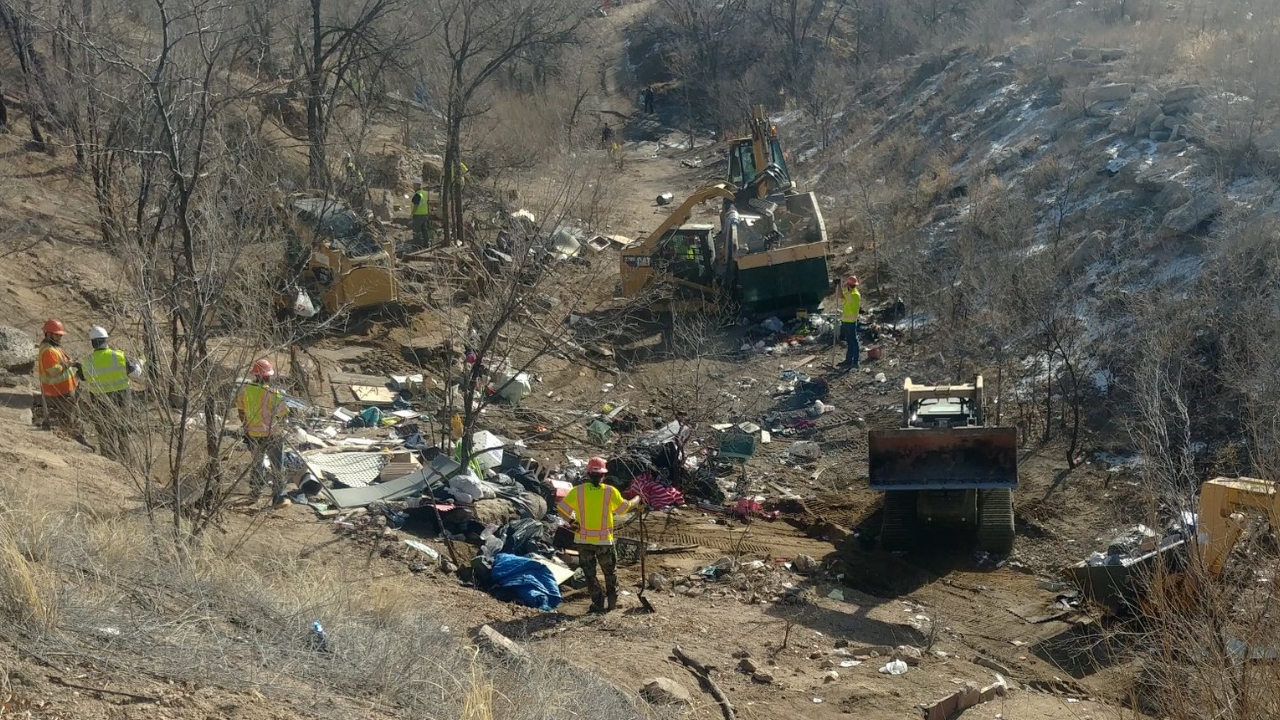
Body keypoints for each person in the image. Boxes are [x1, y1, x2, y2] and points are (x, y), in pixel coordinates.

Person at [557, 456, 643, 613]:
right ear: (604, 475)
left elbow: (561, 508)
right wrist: (637, 499)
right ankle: (612, 602)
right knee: (610, 573)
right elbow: (624, 509)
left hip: (583, 541)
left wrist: (572, 522)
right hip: (604, 542)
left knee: (590, 575)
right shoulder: (610, 491)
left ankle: (597, 603)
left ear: (588, 474)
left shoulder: (578, 491)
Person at [79, 326, 142, 461]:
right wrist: (140, 362)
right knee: (122, 430)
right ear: (106, 340)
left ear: (93, 343)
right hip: (121, 399)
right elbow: (135, 373)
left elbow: (82, 377)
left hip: (99, 401)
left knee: (105, 431)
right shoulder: (118, 356)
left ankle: (108, 460)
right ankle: (126, 460)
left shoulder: (87, 361)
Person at [234, 358, 291, 505]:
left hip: (253, 435)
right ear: (267, 376)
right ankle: (279, 497)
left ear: (255, 375)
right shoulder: (273, 393)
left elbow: (241, 411)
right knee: (277, 465)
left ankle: (255, 492)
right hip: (272, 435)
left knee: (257, 464)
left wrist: (247, 426)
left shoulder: (245, 390)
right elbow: (283, 414)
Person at [36, 318, 84, 442]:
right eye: (57, 335)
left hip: (64, 389)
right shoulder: (49, 350)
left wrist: (73, 364)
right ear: (48, 334)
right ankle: (68, 439)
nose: (59, 337)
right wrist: (69, 364)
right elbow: (53, 371)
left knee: (71, 417)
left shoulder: (54, 347)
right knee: (67, 419)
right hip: (57, 391)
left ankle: (71, 437)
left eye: (60, 335)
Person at [838, 275, 862, 367]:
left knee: (853, 341)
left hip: (851, 322)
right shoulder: (850, 293)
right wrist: (838, 285)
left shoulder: (855, 295)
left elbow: (843, 296)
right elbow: (840, 295)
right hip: (846, 321)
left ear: (849, 285)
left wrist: (840, 286)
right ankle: (849, 360)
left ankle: (855, 361)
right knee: (849, 341)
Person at [410, 178, 431, 249]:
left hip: (418, 215)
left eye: (414, 185)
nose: (413, 186)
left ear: (417, 185)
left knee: (416, 231)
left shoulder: (418, 194)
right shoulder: (424, 193)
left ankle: (417, 246)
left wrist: (412, 213)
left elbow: (416, 205)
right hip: (425, 214)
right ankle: (426, 244)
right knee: (424, 230)